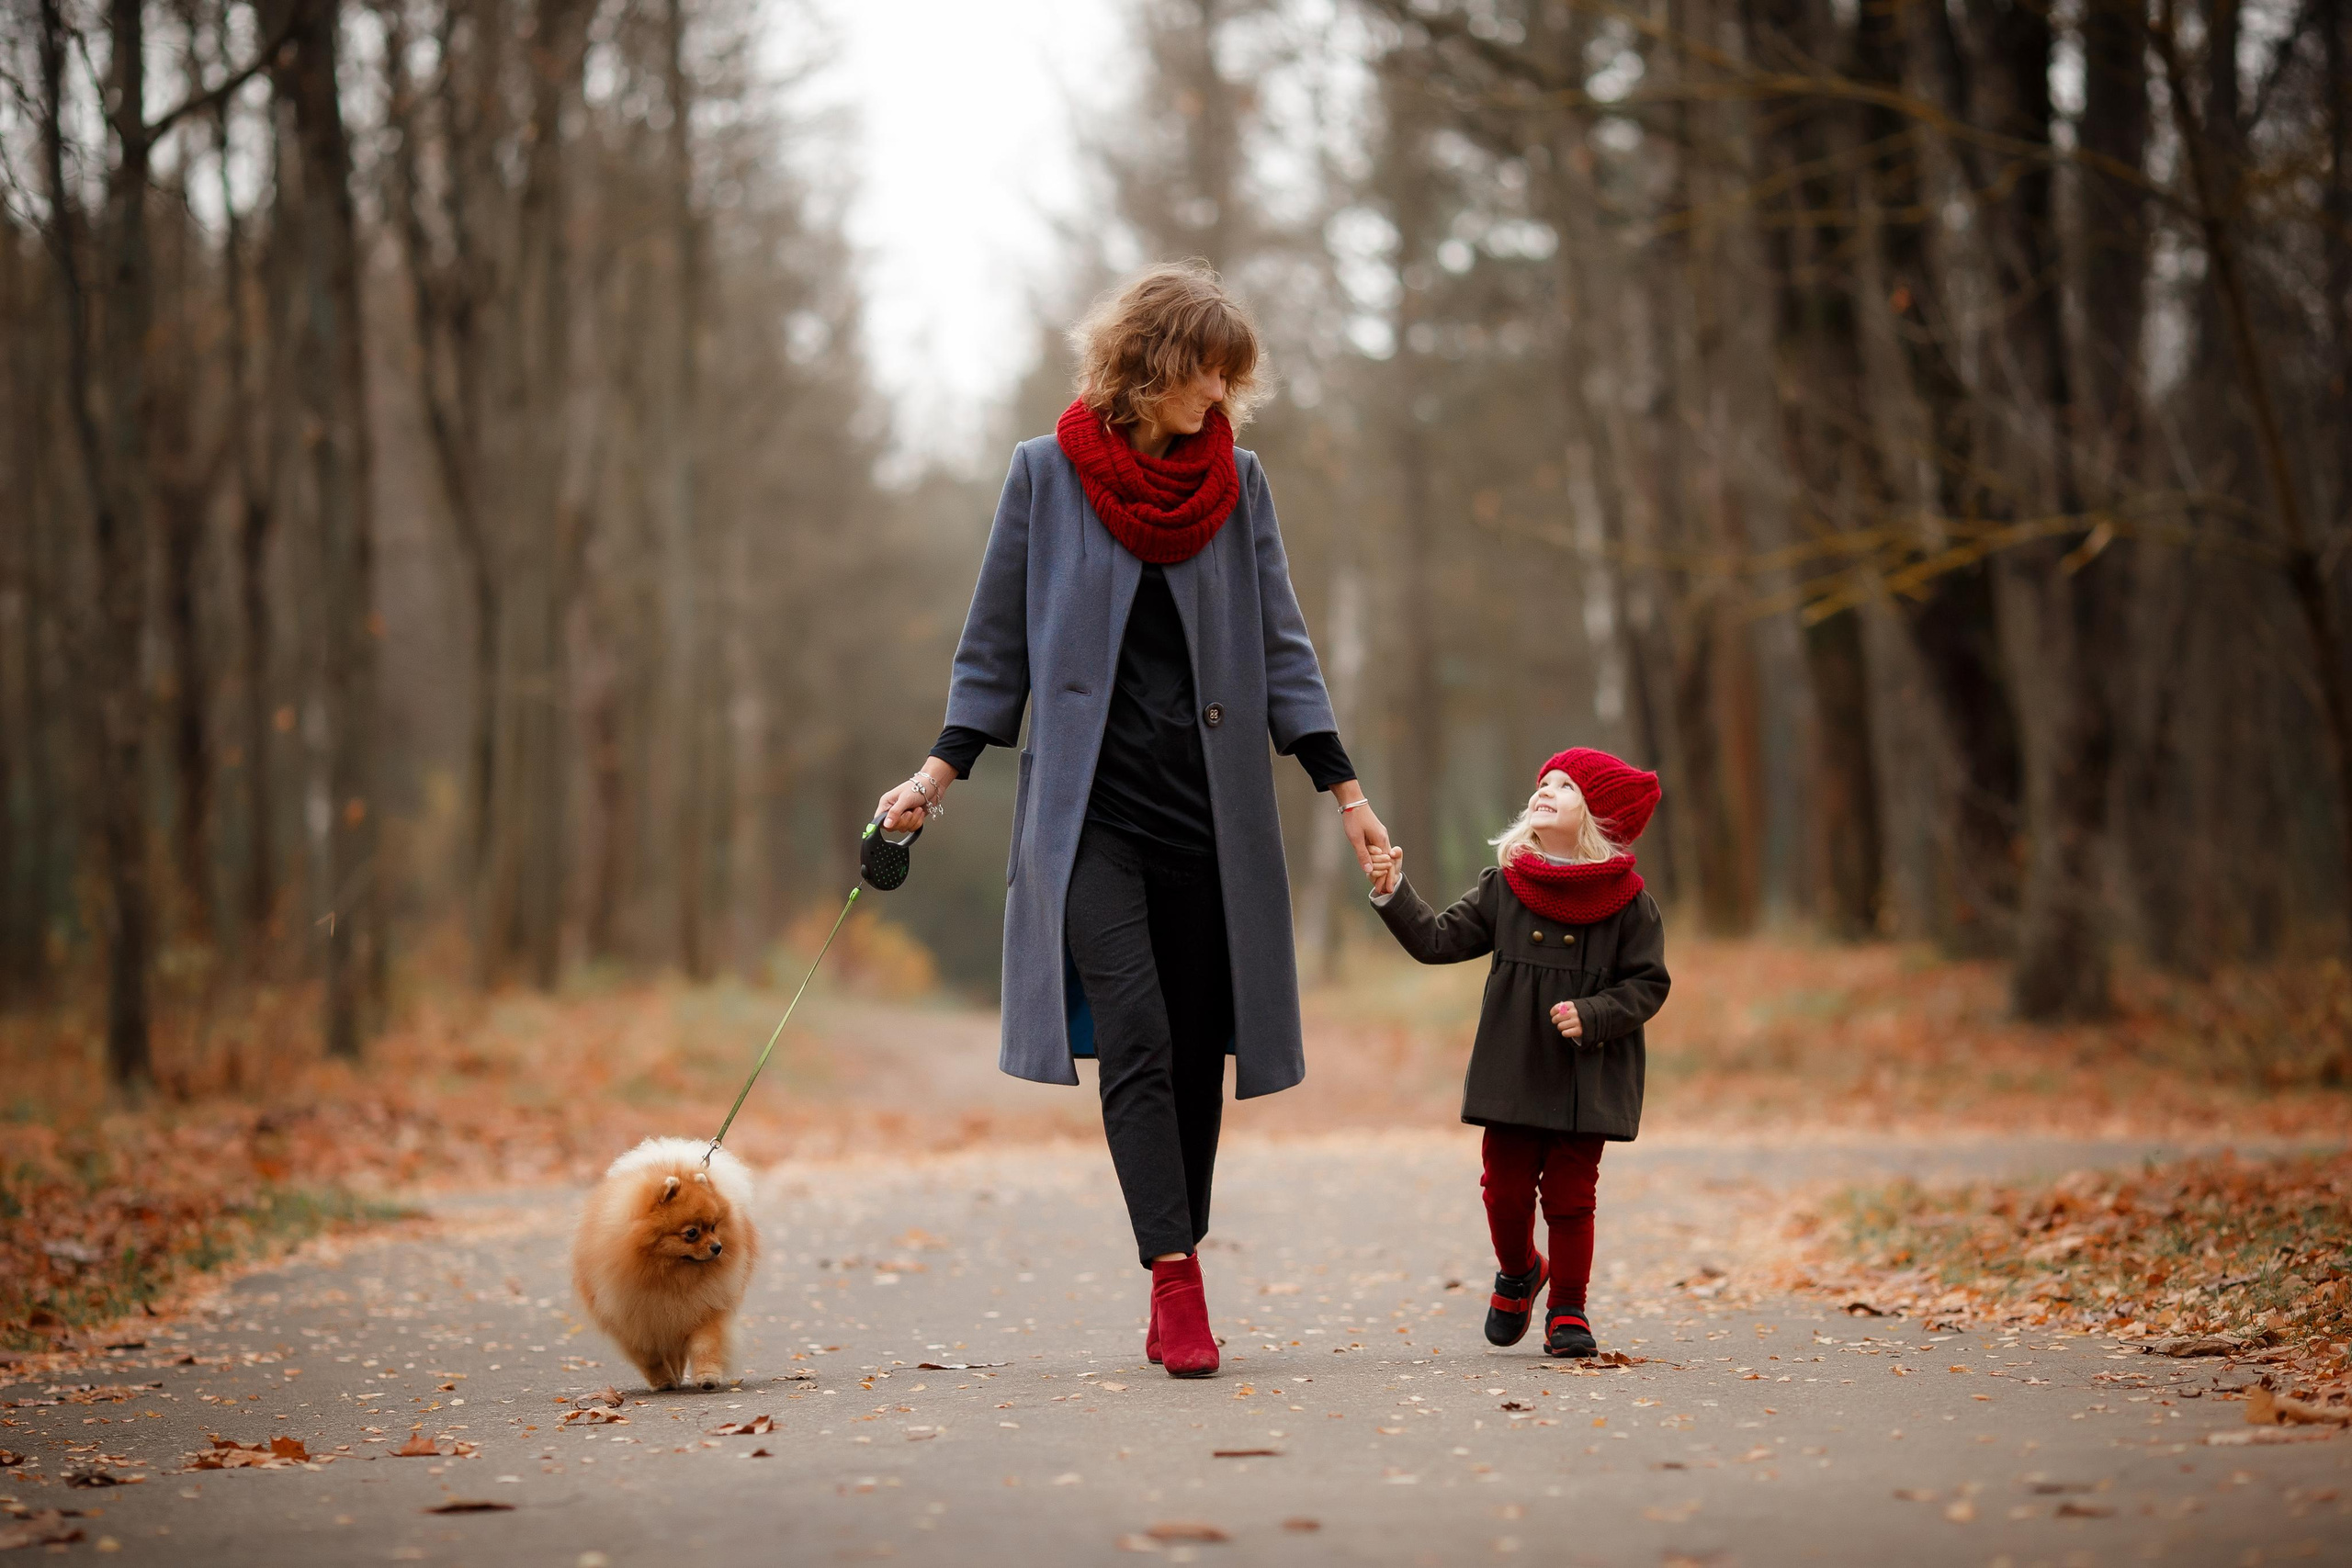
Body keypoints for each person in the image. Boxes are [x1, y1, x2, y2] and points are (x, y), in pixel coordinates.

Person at [873, 262, 1389, 1379]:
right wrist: (934, 777)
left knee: (1199, 1048)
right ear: (1153, 363)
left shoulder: (1238, 485)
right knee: (1138, 1037)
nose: (1222, 395)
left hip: (1210, 820)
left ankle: (1176, 1243)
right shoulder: (1042, 478)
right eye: (1209, 371)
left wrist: (1343, 790)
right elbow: (994, 650)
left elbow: (1284, 648)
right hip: (1091, 821)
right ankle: (1174, 1277)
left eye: (1230, 379)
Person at [1362, 749, 1669, 1358]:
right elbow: (1437, 940)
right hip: (1513, 1070)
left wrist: (1596, 1013)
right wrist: (1393, 890)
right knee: (1504, 1190)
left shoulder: (1629, 903)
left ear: (1598, 814)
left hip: (1586, 1073)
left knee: (1571, 1195)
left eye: (1566, 784)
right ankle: (1520, 1269)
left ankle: (1568, 1309)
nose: (1545, 789)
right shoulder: (1506, 886)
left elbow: (1649, 983)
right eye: (1543, 782)